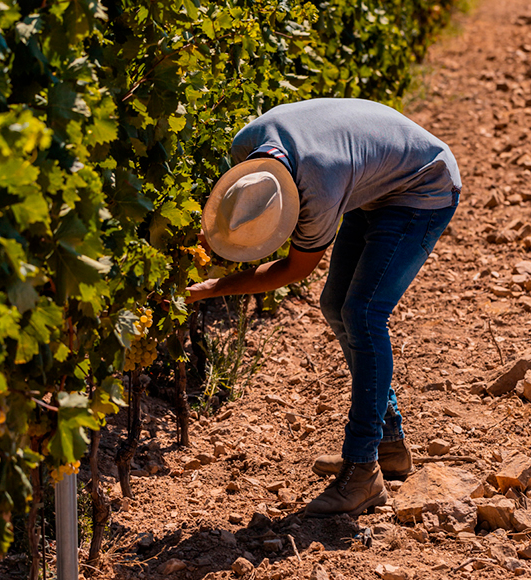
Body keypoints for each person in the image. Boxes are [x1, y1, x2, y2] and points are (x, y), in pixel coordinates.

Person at [186, 98, 460, 518]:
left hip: (424, 185)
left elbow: (293, 270)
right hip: (374, 178)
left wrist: (209, 288)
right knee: (336, 303)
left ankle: (363, 470)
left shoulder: (318, 188)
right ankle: (388, 446)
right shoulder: (247, 151)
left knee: (364, 313)